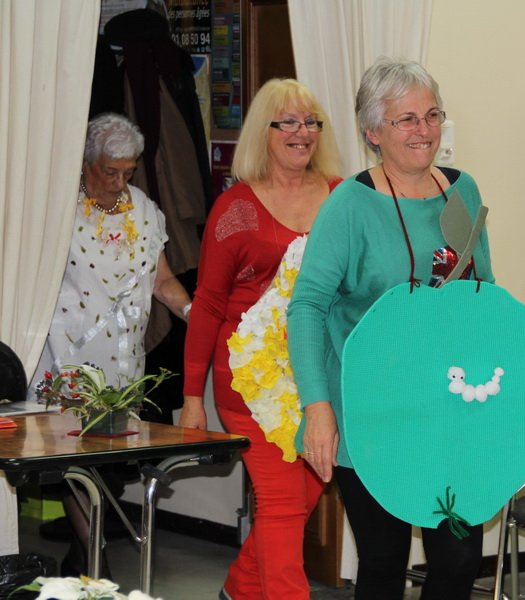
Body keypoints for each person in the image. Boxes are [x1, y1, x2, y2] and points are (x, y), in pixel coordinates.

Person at [287, 57, 495, 600]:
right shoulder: (349, 205)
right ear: (373, 132)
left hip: (449, 411)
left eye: (432, 115)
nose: (424, 130)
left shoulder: (463, 191)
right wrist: (317, 409)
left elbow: (485, 294)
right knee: (383, 560)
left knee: (459, 557)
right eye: (406, 119)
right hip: (370, 414)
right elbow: (307, 306)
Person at [180, 78, 342, 600]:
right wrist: (192, 398)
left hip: (318, 378)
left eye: (310, 121)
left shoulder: (343, 197)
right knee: (281, 503)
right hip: (252, 382)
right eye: (287, 122)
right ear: (263, 132)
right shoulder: (237, 208)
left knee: (306, 495)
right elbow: (208, 304)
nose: (302, 132)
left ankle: (240, 589)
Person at [30, 112, 192, 576]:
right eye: (110, 171)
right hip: (66, 357)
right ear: (85, 164)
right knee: (71, 462)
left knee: (105, 463)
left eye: (128, 171)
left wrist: (195, 313)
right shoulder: (59, 208)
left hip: (122, 363)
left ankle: (81, 559)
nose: (120, 182)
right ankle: (95, 561)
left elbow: (162, 281)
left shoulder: (143, 209)